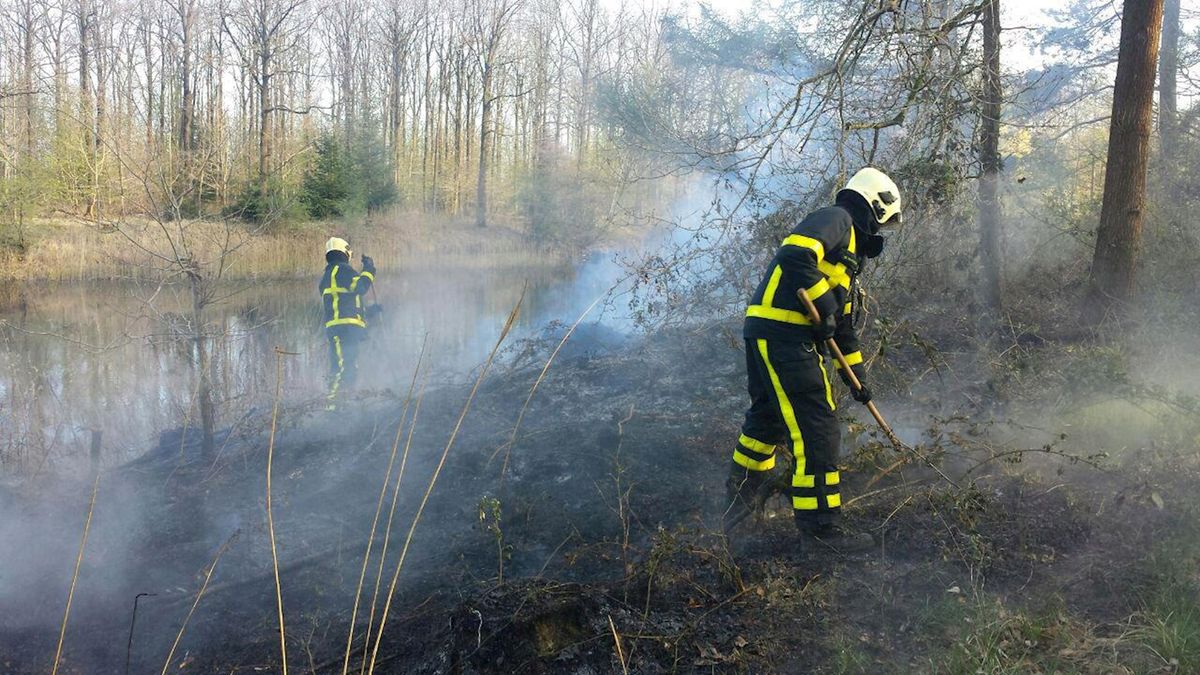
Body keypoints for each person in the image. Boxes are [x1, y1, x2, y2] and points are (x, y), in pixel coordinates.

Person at [725, 167, 902, 551]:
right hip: (786, 334)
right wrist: (823, 305)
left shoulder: (849, 259)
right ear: (875, 205)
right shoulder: (836, 219)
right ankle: (822, 532)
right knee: (818, 429)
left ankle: (738, 510)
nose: (880, 233)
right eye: (883, 222)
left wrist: (857, 379)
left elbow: (843, 329)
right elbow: (794, 255)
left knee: (767, 423)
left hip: (772, 332)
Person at [319, 237, 375, 410]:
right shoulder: (342, 270)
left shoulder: (328, 275)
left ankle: (344, 405)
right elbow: (361, 287)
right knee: (342, 369)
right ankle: (331, 409)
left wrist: (372, 311)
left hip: (340, 328)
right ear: (345, 252)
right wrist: (369, 269)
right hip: (345, 328)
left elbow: (346, 302)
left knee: (348, 367)